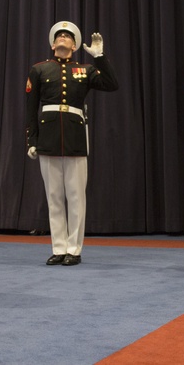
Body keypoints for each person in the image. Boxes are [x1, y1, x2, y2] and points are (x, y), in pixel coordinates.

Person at [26, 21, 118, 266]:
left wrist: (99, 57)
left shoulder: (85, 70)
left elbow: (111, 84)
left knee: (76, 196)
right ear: (53, 43)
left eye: (68, 36)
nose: (63, 38)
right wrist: (31, 139)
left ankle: (74, 249)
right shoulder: (39, 70)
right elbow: (30, 108)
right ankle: (58, 247)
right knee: (54, 195)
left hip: (75, 137)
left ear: (75, 45)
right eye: (59, 36)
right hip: (48, 136)